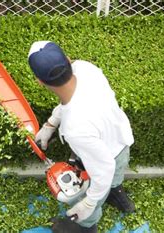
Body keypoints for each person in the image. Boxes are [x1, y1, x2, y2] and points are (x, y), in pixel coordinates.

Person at [27, 41, 136, 233]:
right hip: (122, 142)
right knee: (114, 177)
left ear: (39, 81)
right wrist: (51, 124)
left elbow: (104, 168)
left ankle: (86, 227)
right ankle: (117, 195)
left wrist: (89, 203)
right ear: (69, 61)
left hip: (104, 162)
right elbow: (70, 101)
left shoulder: (76, 128)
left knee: (90, 195)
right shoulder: (87, 69)